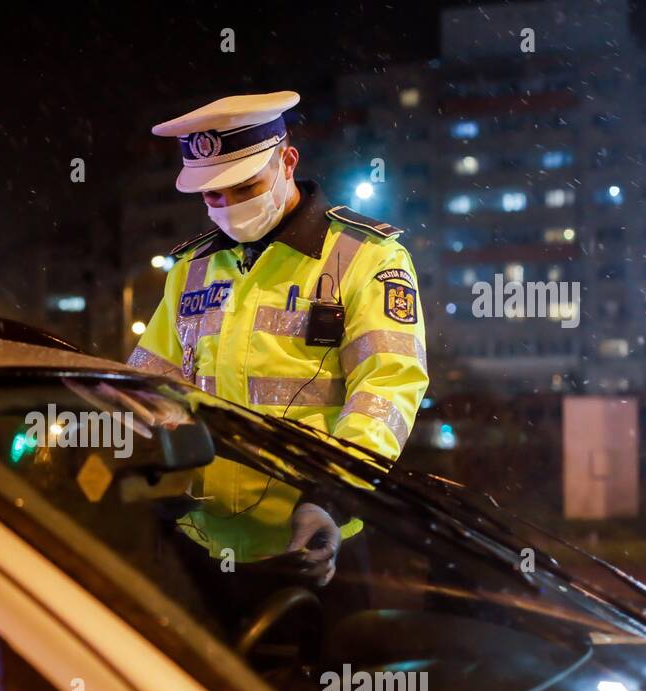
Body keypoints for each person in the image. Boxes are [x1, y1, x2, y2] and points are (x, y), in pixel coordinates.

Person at [128, 91, 428, 583]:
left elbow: (387, 389)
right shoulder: (192, 268)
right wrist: (148, 474)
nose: (227, 206)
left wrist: (330, 495)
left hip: (319, 542)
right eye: (212, 195)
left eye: (245, 188)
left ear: (287, 160)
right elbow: (150, 383)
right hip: (203, 543)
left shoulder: (367, 257)